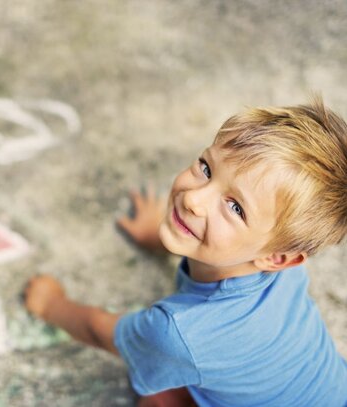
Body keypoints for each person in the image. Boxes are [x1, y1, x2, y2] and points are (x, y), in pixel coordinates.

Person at [24, 97, 347, 406]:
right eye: (207, 169)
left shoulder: (179, 334)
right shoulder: (282, 262)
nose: (194, 199)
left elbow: (100, 332)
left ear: (278, 258)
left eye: (235, 207)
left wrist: (51, 304)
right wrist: (164, 233)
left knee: (158, 398)